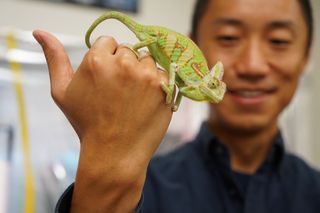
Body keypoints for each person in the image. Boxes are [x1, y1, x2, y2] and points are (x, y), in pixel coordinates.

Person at [33, 0, 320, 212]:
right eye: (229, 37)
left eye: (279, 41)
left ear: (307, 55)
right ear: (198, 43)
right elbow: (180, 76)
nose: (253, 66)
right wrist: (107, 165)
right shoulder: (146, 182)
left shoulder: (313, 191)